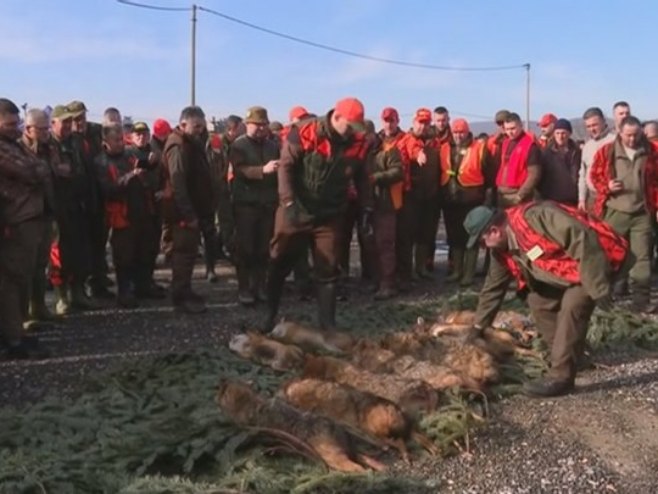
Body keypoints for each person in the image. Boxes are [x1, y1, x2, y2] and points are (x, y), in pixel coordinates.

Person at [464, 200, 629, 396]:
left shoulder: (537, 217)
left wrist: (598, 287)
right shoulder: (501, 250)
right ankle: (569, 356)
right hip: (563, 274)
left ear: (494, 231)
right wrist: (478, 327)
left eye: (482, 242)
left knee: (572, 306)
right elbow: (493, 288)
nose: (483, 247)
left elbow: (583, 238)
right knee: (538, 300)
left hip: (594, 263)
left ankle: (561, 377)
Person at [265, 97, 373, 332]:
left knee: (328, 269)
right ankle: (268, 316)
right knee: (279, 261)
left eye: (356, 128)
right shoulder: (304, 132)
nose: (351, 133)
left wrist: (366, 208)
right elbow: (285, 167)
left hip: (330, 214)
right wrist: (289, 202)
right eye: (349, 127)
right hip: (297, 208)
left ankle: (327, 324)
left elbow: (363, 178)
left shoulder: (360, 142)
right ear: (336, 117)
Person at [589, 115, 658, 312]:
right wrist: (606, 186)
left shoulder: (652, 152)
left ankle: (640, 302)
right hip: (614, 211)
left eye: (636, 135)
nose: (632, 139)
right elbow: (594, 176)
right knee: (609, 255)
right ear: (620, 132)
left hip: (641, 213)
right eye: (628, 135)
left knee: (642, 257)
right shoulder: (607, 152)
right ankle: (604, 299)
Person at [0, 98, 51, 359]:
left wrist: (39, 169)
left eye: (15, 123)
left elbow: (40, 168)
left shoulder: (12, 146)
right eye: (8, 124)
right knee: (11, 283)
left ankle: (15, 332)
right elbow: (33, 172)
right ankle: (12, 338)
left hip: (26, 217)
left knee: (20, 279)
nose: (14, 128)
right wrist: (38, 169)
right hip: (14, 220)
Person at [163, 106, 215, 313]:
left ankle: (185, 290)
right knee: (183, 254)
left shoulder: (190, 143)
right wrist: (188, 214)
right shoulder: (178, 146)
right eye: (196, 127)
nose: (200, 131)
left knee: (190, 253)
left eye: (202, 127)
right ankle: (180, 297)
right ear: (183, 124)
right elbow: (178, 183)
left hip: (192, 208)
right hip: (182, 211)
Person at [97, 124, 153, 307]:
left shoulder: (130, 156)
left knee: (143, 252)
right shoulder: (101, 162)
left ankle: (142, 286)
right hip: (120, 215)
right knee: (123, 256)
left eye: (122, 139)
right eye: (116, 140)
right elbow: (108, 189)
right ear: (106, 142)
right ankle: (124, 291)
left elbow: (144, 169)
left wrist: (150, 164)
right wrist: (130, 176)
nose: (121, 143)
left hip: (139, 211)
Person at [228, 106, 279, 305]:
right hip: (246, 205)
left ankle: (260, 286)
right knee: (246, 249)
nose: (260, 128)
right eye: (256, 125)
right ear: (247, 125)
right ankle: (245, 289)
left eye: (263, 125)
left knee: (263, 249)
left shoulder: (272, 146)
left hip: (267, 203)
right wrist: (262, 170)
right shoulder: (238, 146)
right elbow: (239, 170)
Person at [49, 105, 97, 314]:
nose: (68, 126)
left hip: (78, 206)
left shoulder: (77, 142)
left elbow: (84, 171)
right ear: (53, 124)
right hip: (57, 208)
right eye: (64, 122)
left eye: (70, 122)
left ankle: (78, 292)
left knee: (80, 253)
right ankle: (61, 297)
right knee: (59, 255)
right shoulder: (48, 145)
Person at [439, 118, 495, 286]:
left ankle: (468, 274)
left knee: (471, 238)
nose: (458, 135)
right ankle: (457, 271)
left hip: (472, 200)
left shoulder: (479, 148)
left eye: (461, 132)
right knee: (454, 238)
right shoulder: (444, 148)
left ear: (467, 131)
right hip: (450, 201)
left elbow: (489, 174)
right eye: (455, 132)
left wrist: (488, 197)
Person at [68, 100, 112, 299]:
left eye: (83, 117)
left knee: (99, 244)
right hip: (79, 201)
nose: (80, 122)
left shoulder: (95, 132)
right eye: (76, 118)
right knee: (81, 248)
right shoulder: (68, 140)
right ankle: (79, 289)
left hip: (97, 197)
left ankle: (99, 284)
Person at [20, 109, 59, 328]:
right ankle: (23, 315)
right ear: (28, 129)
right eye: (42, 129)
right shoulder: (19, 150)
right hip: (28, 215)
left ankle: (39, 307)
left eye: (47, 128)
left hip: (45, 212)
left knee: (41, 264)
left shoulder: (48, 148)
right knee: (25, 266)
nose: (46, 132)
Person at [397, 108, 441, 283]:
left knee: (426, 234)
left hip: (430, 195)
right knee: (408, 235)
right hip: (411, 196)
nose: (422, 126)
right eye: (420, 123)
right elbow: (414, 149)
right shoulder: (407, 140)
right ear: (414, 122)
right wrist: (418, 155)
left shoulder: (435, 143)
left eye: (426, 123)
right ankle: (407, 272)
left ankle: (421, 267)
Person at [126, 122, 166, 299]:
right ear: (132, 137)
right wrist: (145, 164)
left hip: (154, 206)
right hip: (136, 208)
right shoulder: (128, 153)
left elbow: (164, 174)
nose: (141, 137)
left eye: (144, 134)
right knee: (136, 248)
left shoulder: (157, 153)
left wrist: (163, 190)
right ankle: (136, 284)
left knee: (151, 248)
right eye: (137, 134)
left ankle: (147, 281)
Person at [370, 108, 405, 299]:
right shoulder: (364, 152)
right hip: (370, 204)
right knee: (372, 245)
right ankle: (377, 281)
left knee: (385, 244)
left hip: (386, 203)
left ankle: (388, 284)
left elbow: (398, 172)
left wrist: (375, 178)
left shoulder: (390, 150)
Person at [496, 112, 542, 208]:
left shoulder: (530, 145)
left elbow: (534, 174)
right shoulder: (505, 143)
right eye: (507, 129)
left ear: (521, 126)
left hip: (518, 194)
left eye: (513, 128)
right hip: (502, 193)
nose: (510, 132)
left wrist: (520, 196)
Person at [578, 107, 616, 212]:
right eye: (588, 126)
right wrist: (582, 199)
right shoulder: (587, 146)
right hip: (591, 199)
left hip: (611, 199)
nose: (592, 129)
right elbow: (583, 175)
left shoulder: (615, 141)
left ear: (603, 122)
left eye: (595, 125)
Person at [538, 118, 581, 206]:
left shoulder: (577, 153)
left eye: (563, 133)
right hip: (552, 200)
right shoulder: (546, 153)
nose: (560, 137)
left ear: (569, 134)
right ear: (554, 134)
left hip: (572, 200)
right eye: (557, 133)